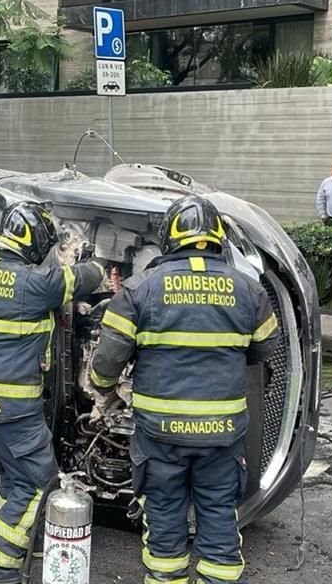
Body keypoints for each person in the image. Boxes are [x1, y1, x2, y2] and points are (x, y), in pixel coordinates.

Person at [90, 195, 280, 584]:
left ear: (169, 238)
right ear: (216, 238)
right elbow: (265, 349)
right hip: (221, 434)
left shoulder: (138, 289)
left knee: (163, 518)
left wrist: (102, 388)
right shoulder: (249, 290)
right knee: (218, 515)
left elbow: (108, 360)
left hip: (162, 434)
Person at [0, 202, 105, 584]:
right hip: (13, 405)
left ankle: (16, 548)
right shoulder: (35, 284)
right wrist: (95, 261)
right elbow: (87, 277)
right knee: (39, 482)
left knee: (15, 476)